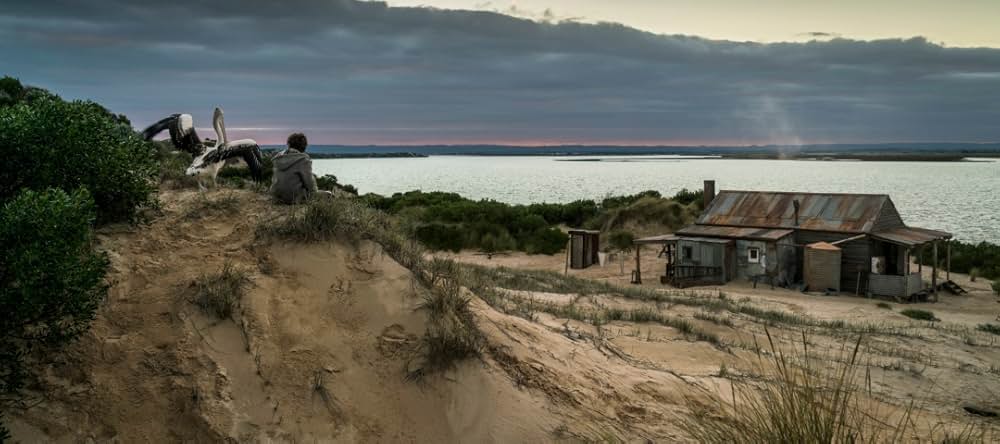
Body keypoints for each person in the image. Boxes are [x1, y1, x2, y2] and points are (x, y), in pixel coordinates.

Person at [269, 132, 322, 204]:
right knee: (329, 195)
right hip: (294, 198)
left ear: (289, 144)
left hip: (276, 197)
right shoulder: (303, 159)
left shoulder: (279, 157)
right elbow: (309, 183)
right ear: (304, 146)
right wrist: (315, 194)